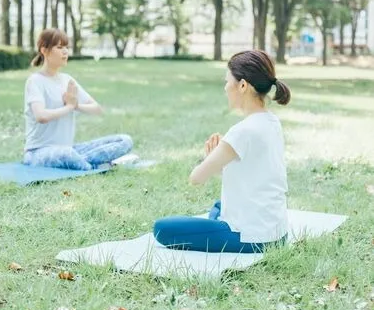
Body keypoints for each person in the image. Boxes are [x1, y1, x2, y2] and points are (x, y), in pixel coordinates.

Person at [153, 50, 291, 253]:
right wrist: (219, 159)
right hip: (277, 234)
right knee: (219, 206)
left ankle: (218, 228)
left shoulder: (241, 132)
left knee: (162, 229)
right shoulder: (271, 121)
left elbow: (196, 178)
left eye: (228, 81)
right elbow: (250, 172)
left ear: (242, 85)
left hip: (250, 238)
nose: (225, 87)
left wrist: (210, 158)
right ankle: (217, 224)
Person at [23, 28, 133, 171]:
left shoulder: (67, 80)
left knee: (124, 140)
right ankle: (96, 165)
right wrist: (68, 107)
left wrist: (76, 105)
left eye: (66, 47)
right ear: (44, 50)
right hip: (38, 153)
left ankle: (83, 163)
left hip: (69, 149)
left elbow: (97, 109)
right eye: (59, 47)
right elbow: (41, 116)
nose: (65, 52)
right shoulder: (35, 81)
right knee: (67, 154)